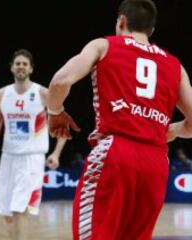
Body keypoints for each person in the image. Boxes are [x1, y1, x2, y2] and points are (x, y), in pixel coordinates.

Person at [47, 0, 192, 239]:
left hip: (116, 153)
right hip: (156, 162)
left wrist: (55, 112)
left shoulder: (103, 45)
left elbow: (60, 81)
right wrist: (172, 130)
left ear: (121, 21)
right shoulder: (175, 65)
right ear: (151, 30)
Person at [0, 49, 66, 240]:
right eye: (17, 63)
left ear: (31, 69)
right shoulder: (1, 94)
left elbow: (63, 128)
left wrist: (56, 154)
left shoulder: (43, 93)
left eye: (24, 64)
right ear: (11, 67)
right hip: (8, 157)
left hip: (32, 158)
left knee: (20, 208)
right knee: (7, 214)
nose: (21, 66)